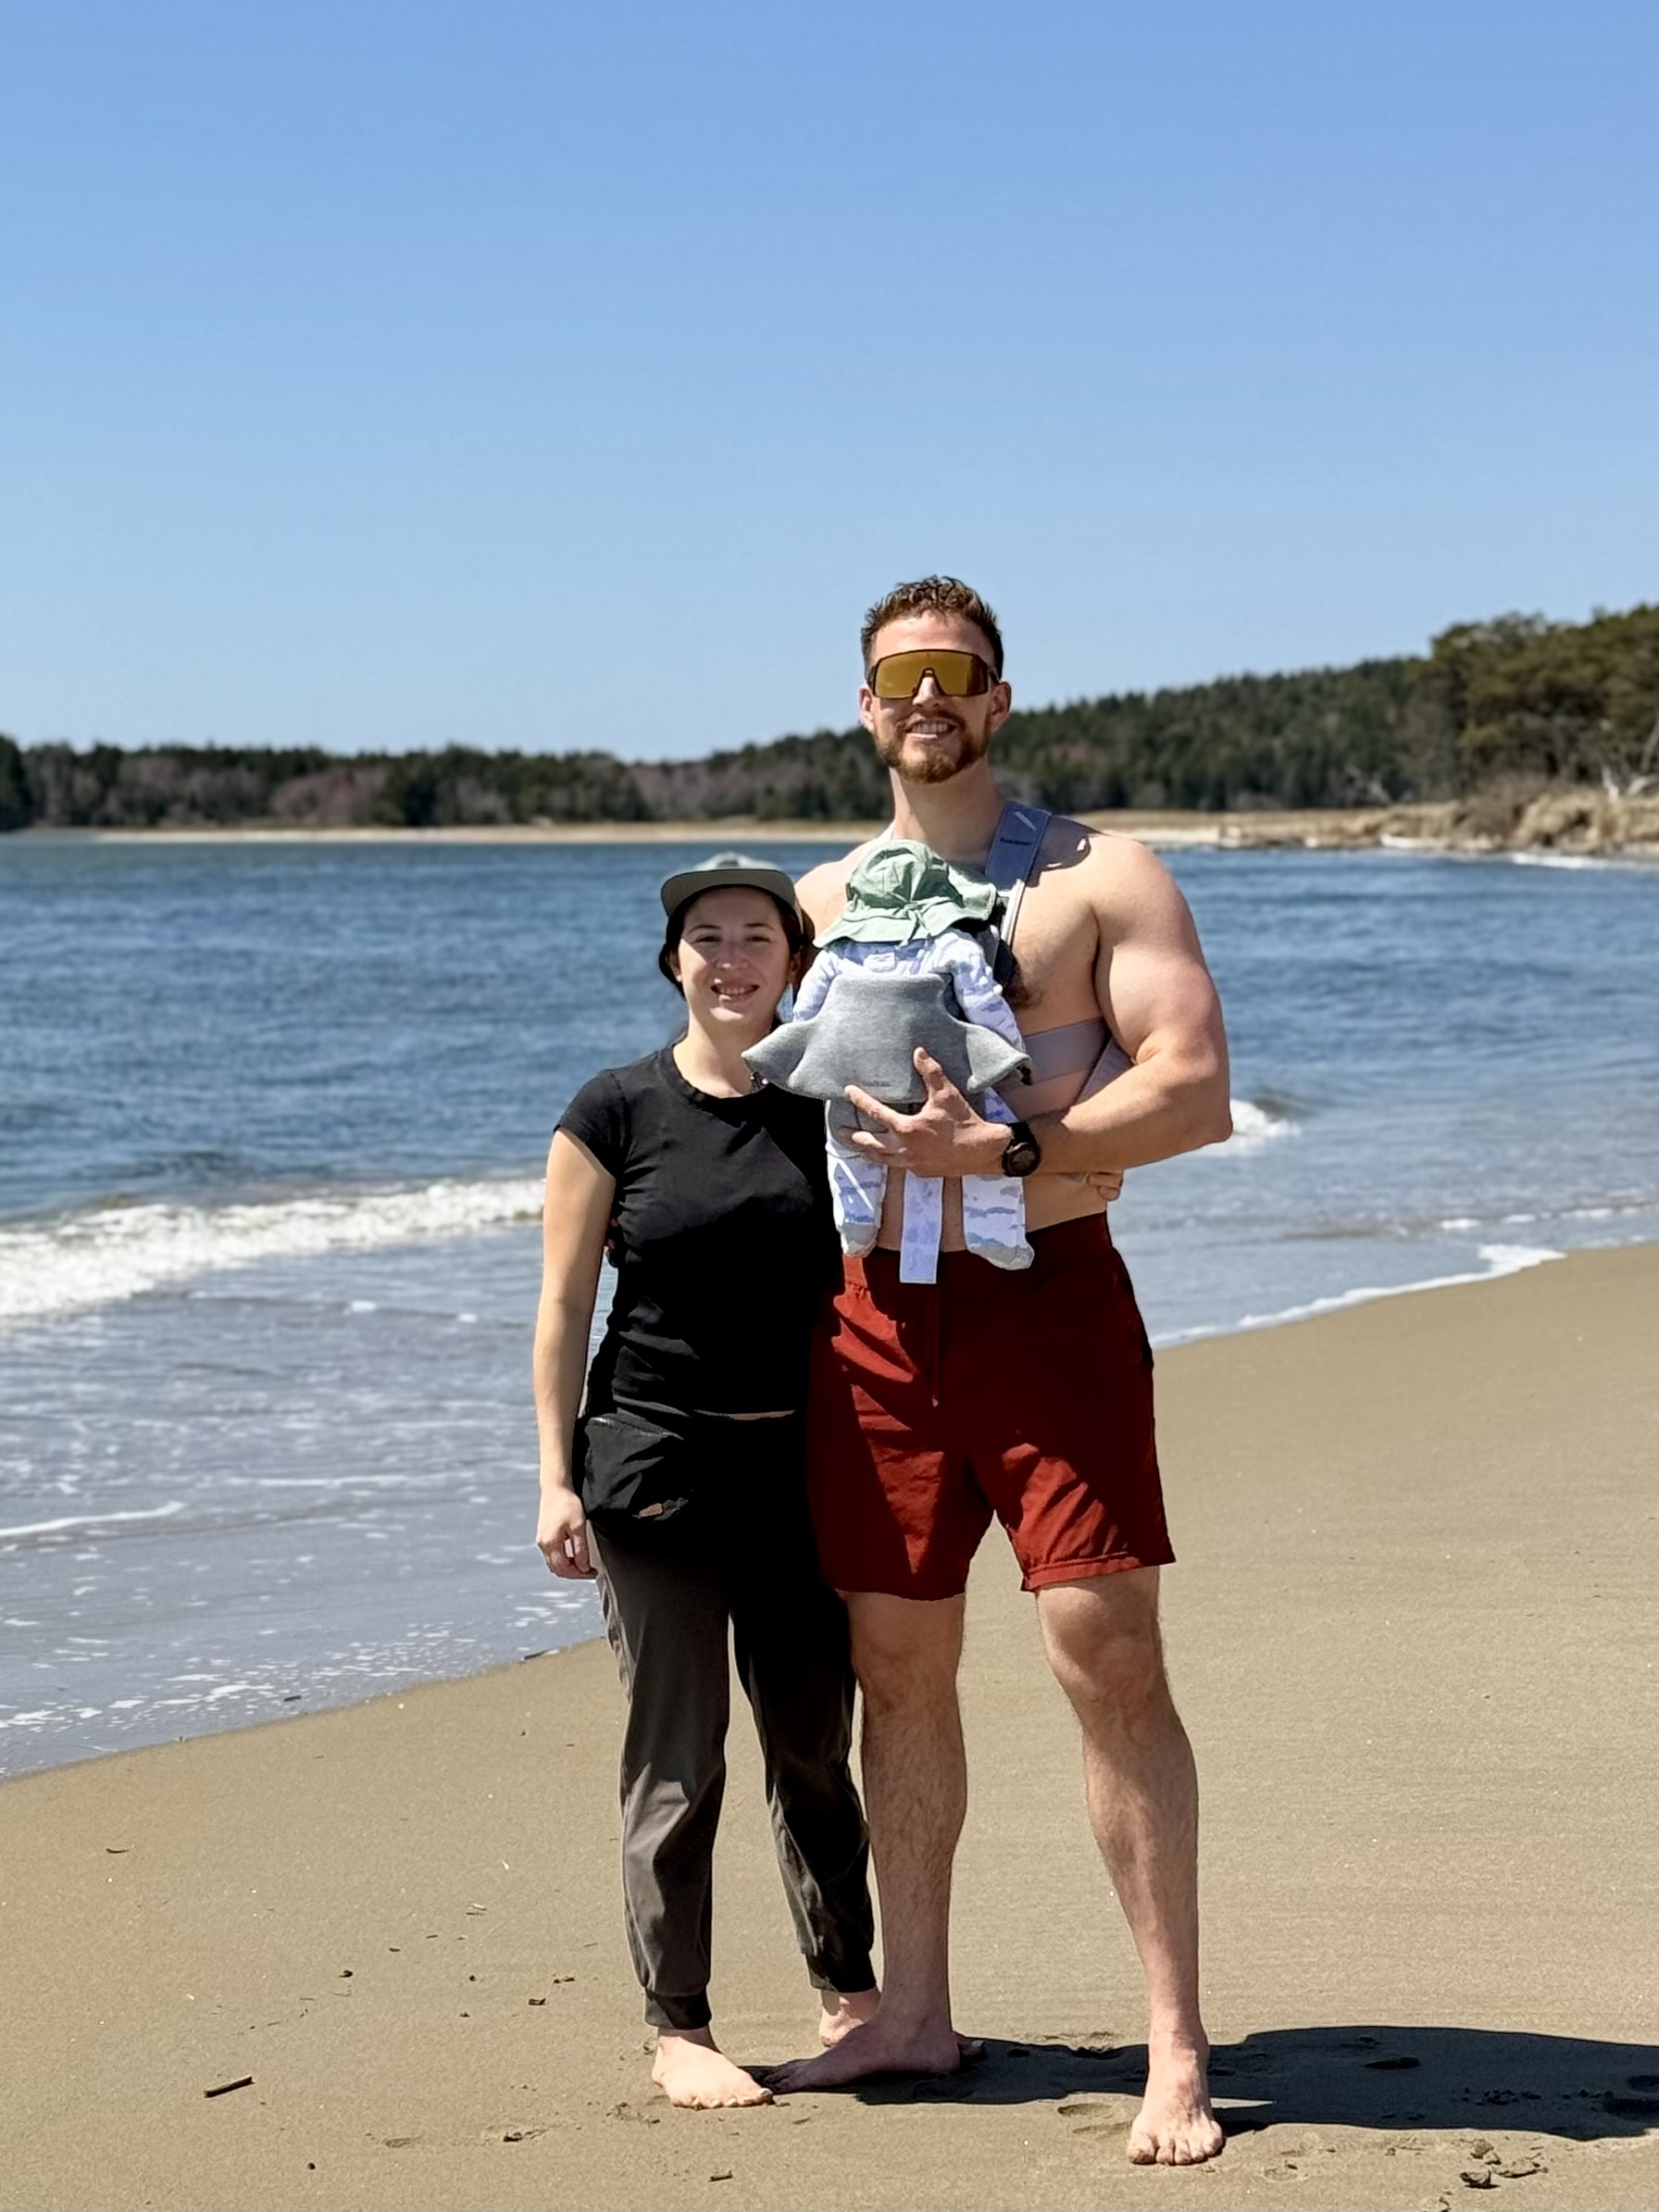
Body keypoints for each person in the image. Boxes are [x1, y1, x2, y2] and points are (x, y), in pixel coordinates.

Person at [769, 577, 1235, 2168]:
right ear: (863, 703)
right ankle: (913, 2009)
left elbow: (1193, 1089)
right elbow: (726, 1086)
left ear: (999, 696)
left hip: (1049, 1307)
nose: (928, 695)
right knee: (894, 1668)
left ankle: (1176, 2047)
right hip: (873, 1326)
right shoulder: (821, 899)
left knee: (1107, 1659)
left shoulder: (1100, 880)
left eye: (956, 671)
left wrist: (1016, 1146)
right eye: (900, 673)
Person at [532, 855, 878, 2109]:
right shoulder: (611, 1111)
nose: (733, 960)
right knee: (679, 1755)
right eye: (708, 938)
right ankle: (679, 2023)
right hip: (653, 1466)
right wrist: (553, 1478)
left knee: (815, 1746)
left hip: (801, 1466)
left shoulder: (824, 1105)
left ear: (796, 963)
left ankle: (851, 1993)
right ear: (674, 961)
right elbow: (566, 1307)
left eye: (758, 939)